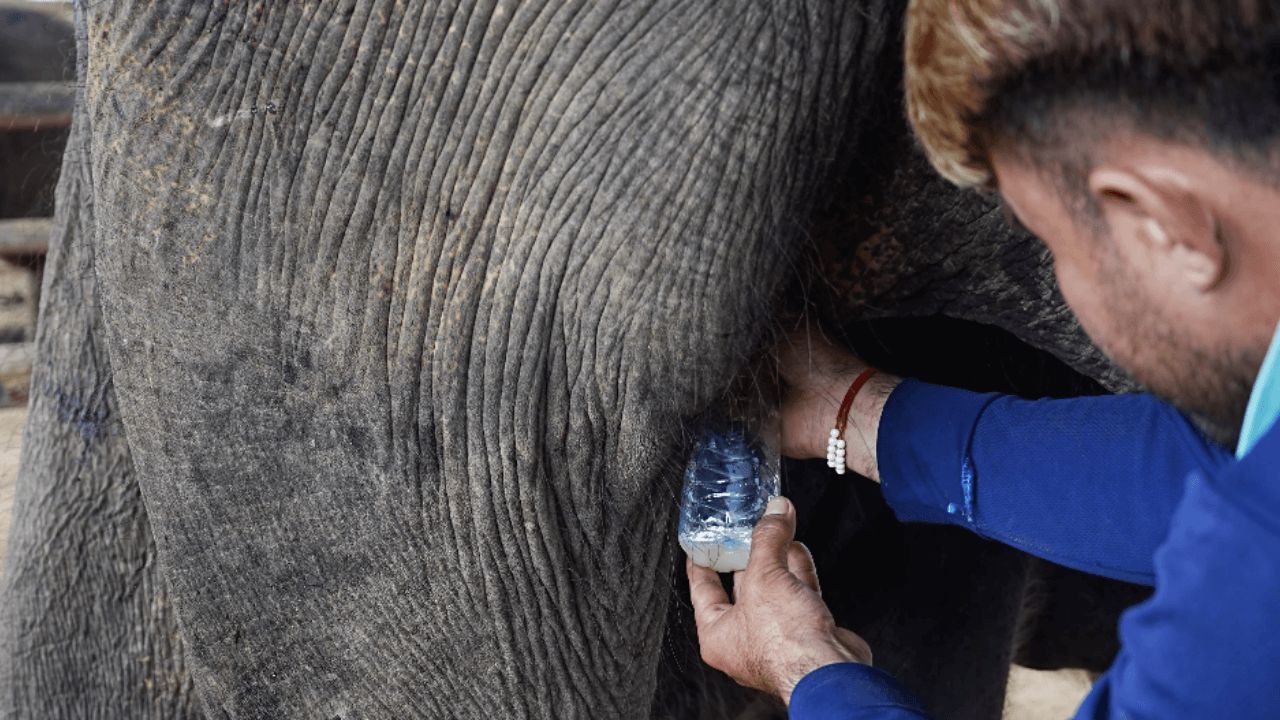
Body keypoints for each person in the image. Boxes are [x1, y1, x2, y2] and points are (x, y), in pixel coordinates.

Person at [686, 1, 1280, 717]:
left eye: (1050, 244)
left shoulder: (1249, 584)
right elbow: (1195, 474)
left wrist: (808, 670)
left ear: (1164, 223)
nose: (1064, 277)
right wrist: (863, 415)